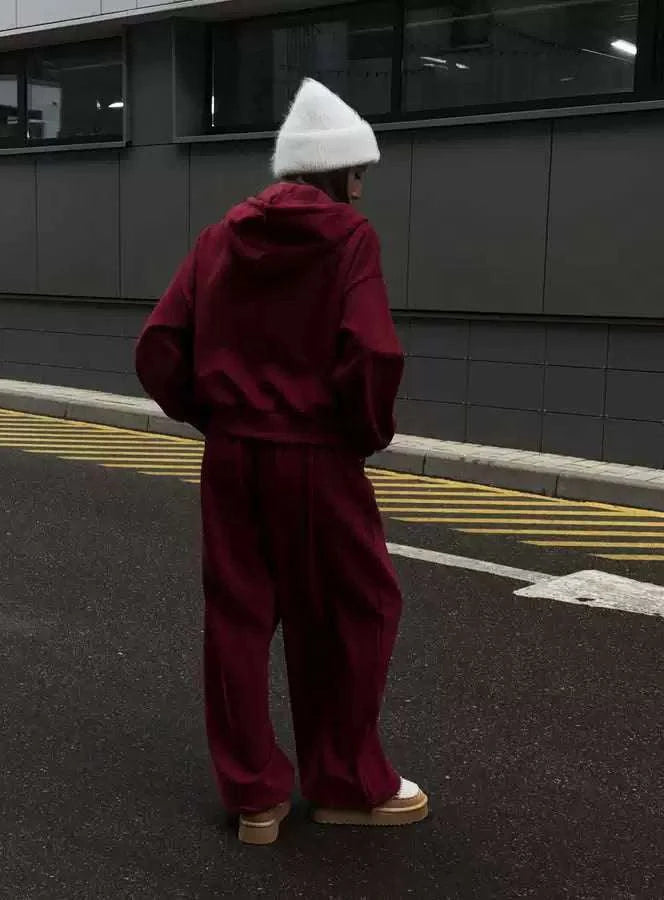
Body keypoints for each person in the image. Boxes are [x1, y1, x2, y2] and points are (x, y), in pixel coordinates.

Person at [135, 78, 428, 845]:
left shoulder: (219, 238)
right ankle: (345, 782)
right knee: (356, 608)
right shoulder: (349, 238)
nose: (361, 190)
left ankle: (253, 795)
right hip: (318, 458)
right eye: (358, 173)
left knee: (237, 616)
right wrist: (363, 432)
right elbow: (372, 352)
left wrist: (216, 416)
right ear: (338, 171)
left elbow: (159, 345)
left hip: (233, 457)